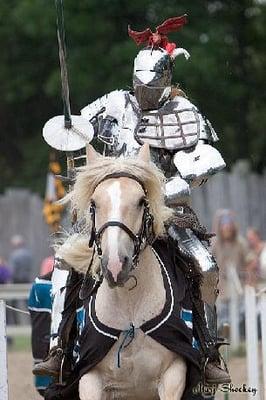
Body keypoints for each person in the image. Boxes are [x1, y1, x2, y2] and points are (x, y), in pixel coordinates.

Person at [36, 15, 230, 386]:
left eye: (150, 85)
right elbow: (79, 127)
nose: (142, 92)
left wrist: (163, 196)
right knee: (64, 266)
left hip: (166, 212)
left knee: (205, 268)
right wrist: (67, 125)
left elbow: (203, 166)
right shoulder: (113, 102)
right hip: (112, 210)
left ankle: (207, 351)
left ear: (165, 81)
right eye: (138, 84)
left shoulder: (183, 115)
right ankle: (59, 348)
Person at [212, 210, 250, 324]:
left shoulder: (241, 243)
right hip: (221, 291)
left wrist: (248, 280)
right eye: (224, 226)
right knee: (222, 321)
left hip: (238, 288)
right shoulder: (215, 244)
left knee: (240, 319)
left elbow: (249, 262)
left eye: (229, 226)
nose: (227, 229)